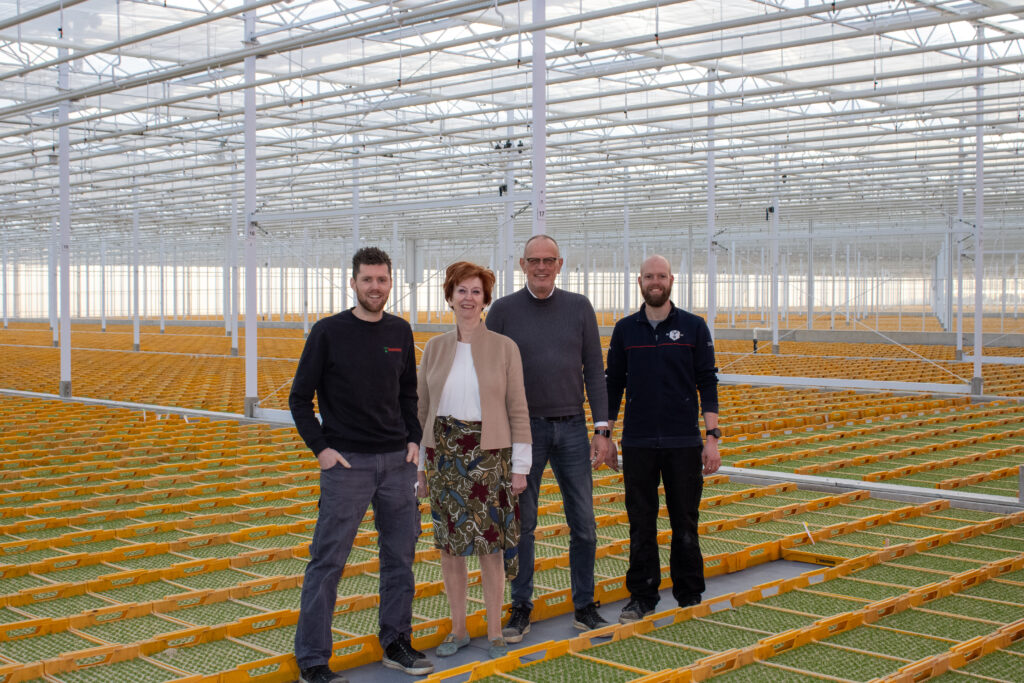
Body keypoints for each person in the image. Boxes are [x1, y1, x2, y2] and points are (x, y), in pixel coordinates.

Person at [289, 247, 433, 683]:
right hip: (346, 466)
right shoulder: (329, 332)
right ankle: (313, 660)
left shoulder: (400, 331)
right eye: (367, 279)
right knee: (328, 560)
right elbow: (299, 397)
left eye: (382, 280)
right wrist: (322, 449)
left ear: (391, 283)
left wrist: (413, 440)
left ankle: (396, 641)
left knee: (399, 557)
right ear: (353, 282)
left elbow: (408, 394)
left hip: (396, 463)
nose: (375, 287)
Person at [485, 234, 614, 640]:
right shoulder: (503, 311)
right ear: (522, 265)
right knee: (522, 523)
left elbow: (594, 369)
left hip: (573, 427)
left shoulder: (579, 308)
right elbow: (490, 376)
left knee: (584, 522)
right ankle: (521, 607)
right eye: (534, 260)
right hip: (524, 433)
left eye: (549, 260)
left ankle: (584, 605)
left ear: (560, 265)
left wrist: (602, 428)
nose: (541, 267)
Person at [415, 261, 532, 659]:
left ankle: (496, 631)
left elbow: (518, 409)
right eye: (461, 291)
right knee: (451, 548)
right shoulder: (434, 348)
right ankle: (459, 628)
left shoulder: (504, 347)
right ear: (449, 297)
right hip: (444, 457)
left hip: (489, 458)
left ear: (485, 300)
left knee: (490, 547)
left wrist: (520, 467)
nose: (468, 298)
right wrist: (420, 466)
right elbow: (422, 410)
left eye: (476, 292)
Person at [603, 254, 721, 624]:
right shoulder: (625, 330)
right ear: (639, 282)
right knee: (641, 521)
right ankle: (643, 596)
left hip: (683, 442)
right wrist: (604, 433)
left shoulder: (693, 327)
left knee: (685, 520)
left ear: (672, 280)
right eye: (649, 276)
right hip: (638, 442)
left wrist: (712, 436)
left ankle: (689, 594)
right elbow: (613, 385)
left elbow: (707, 382)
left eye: (662, 276)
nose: (656, 281)